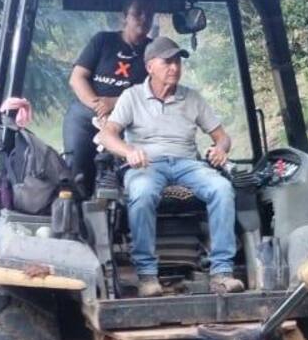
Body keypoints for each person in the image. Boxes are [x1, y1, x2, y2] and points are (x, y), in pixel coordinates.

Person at [97, 36, 245, 298]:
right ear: (150, 66)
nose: (174, 67)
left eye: (177, 61)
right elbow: (107, 136)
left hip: (188, 164)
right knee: (142, 192)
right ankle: (147, 276)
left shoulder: (192, 98)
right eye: (167, 62)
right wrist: (129, 151)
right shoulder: (132, 97)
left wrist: (221, 149)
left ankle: (222, 273)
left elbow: (222, 137)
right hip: (147, 164)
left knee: (222, 189)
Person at [65, 0, 155, 195]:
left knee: (134, 168)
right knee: (75, 169)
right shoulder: (103, 41)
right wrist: (99, 107)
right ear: (125, 17)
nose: (144, 18)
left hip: (131, 116)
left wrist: (114, 103)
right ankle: (76, 202)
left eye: (149, 14)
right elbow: (77, 78)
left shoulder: (154, 50)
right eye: (138, 13)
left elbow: (156, 90)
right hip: (88, 111)